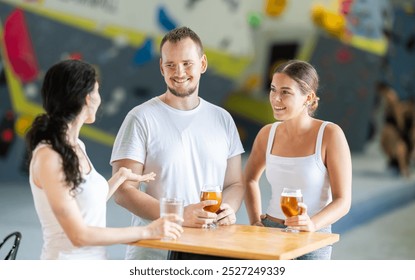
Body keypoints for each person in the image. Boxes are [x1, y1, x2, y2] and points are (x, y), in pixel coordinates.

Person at [25, 59, 183, 260]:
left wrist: (120, 178)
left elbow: (87, 204)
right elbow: (79, 235)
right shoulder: (49, 157)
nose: (100, 99)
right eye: (97, 91)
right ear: (87, 98)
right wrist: (148, 231)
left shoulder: (76, 147)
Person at [110, 26, 245, 260]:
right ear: (161, 68)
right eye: (170, 64)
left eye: (187, 63)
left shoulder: (222, 119)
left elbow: (234, 184)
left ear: (202, 64)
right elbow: (122, 191)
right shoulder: (140, 118)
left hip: (210, 249)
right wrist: (179, 215)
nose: (179, 72)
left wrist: (228, 210)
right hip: (154, 253)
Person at [243, 59, 352, 260]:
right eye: (273, 90)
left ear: (308, 97)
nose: (276, 98)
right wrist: (255, 222)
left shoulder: (330, 134)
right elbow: (249, 179)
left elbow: (343, 201)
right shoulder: (267, 134)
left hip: (312, 238)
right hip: (269, 234)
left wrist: (312, 225)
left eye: (285, 92)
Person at [377, 82, 415, 177]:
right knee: (399, 148)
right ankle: (402, 168)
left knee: (400, 148)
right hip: (400, 138)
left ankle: (404, 169)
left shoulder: (393, 99)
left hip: (404, 138)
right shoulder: (397, 108)